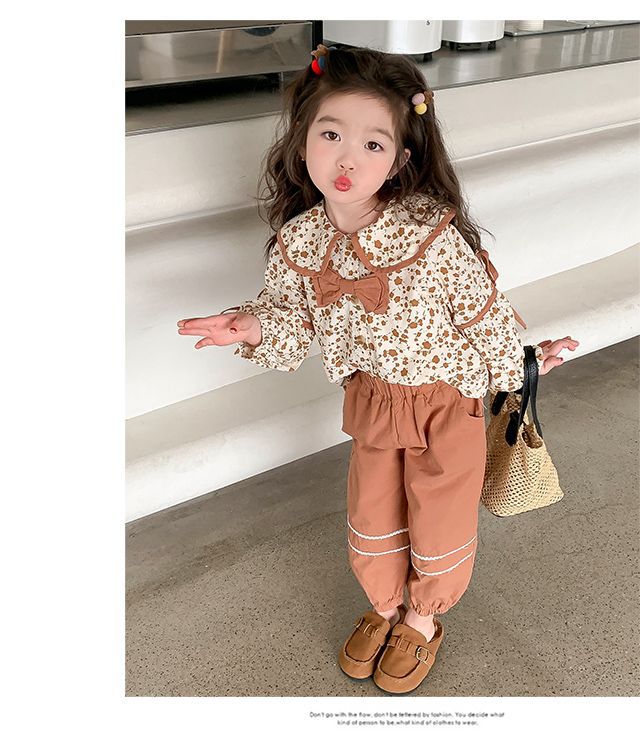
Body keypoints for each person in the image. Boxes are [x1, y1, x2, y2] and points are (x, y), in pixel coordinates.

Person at [177, 44, 579, 694]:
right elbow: (292, 318)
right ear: (301, 139)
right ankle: (386, 604)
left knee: (440, 516)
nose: (347, 159)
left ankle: (422, 617)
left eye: (372, 144)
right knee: (372, 513)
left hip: (444, 401)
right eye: (331, 134)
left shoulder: (429, 233)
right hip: (371, 402)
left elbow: (481, 313)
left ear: (399, 158)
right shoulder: (300, 241)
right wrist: (248, 326)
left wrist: (521, 367)